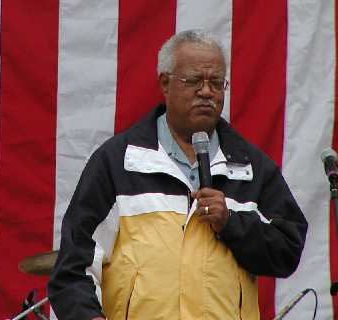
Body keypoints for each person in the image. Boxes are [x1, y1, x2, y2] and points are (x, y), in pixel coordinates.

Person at [48, 30, 308, 320]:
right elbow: (73, 268)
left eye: (216, 83)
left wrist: (232, 223)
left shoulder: (251, 167)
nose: (207, 92)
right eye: (194, 81)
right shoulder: (118, 162)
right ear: (165, 83)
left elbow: (288, 251)